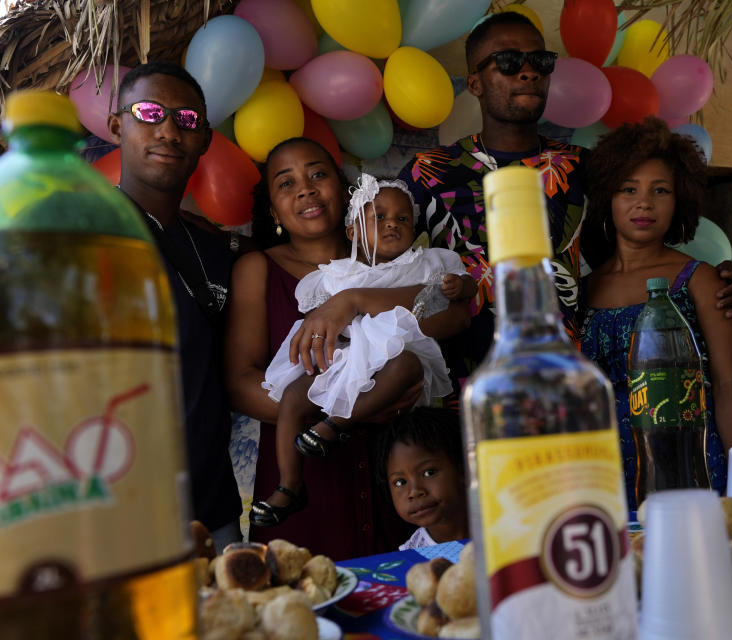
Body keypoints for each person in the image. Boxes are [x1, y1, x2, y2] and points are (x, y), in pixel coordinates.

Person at [393, 11, 732, 396]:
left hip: (568, 391)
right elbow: (375, 262)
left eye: (540, 61)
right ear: (476, 83)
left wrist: (726, 283)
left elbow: (637, 257)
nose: (528, 72)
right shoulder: (429, 171)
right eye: (509, 62)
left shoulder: (586, 167)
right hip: (463, 389)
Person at [225, 137, 471, 557]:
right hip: (310, 465)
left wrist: (353, 301)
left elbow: (450, 317)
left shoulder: (392, 264)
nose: (305, 189)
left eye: (318, 174)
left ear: (346, 192)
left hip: (395, 471)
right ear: (273, 211)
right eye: (286, 184)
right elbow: (239, 383)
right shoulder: (259, 268)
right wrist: (354, 406)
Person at [106, 61, 242, 550]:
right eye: (149, 112)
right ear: (116, 124)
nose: (168, 129)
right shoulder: (83, 234)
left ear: (204, 139)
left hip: (214, 508)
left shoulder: (217, 250)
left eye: (186, 120)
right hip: (119, 513)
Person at [578, 118, 732, 510]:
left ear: (679, 199)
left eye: (661, 190)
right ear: (607, 198)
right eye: (628, 189)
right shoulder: (581, 291)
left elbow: (727, 385)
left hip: (691, 461)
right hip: (603, 473)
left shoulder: (701, 280)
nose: (644, 203)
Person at [373, 407, 469, 549]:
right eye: (400, 482)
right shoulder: (412, 555)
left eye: (428, 473)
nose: (414, 491)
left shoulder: (504, 529)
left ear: (464, 468)